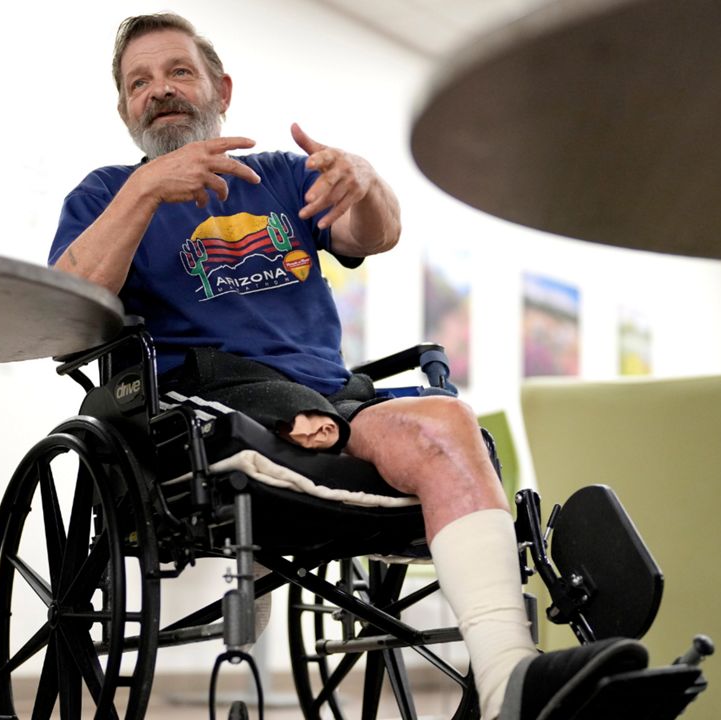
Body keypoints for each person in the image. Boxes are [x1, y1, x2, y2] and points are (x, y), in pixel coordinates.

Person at [49, 13, 649, 719]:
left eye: (178, 71)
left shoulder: (277, 175)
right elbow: (71, 313)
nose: (160, 91)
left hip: (330, 398)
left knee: (448, 421)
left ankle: (509, 681)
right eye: (139, 82)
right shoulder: (105, 195)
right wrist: (148, 190)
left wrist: (365, 182)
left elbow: (377, 233)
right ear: (125, 110)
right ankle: (303, 439)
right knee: (297, 414)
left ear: (221, 89)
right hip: (204, 404)